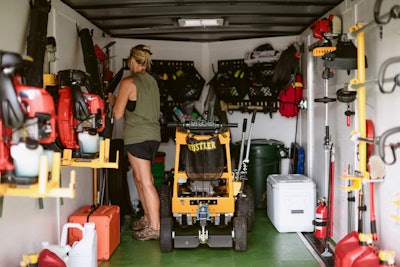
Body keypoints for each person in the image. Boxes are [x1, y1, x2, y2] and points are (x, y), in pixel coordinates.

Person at [108, 44, 161, 241]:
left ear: (132, 60)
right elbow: (138, 105)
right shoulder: (152, 82)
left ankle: (155, 227)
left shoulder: (129, 82)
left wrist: (113, 100)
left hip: (136, 137)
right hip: (153, 136)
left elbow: (118, 113)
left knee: (145, 181)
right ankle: (148, 218)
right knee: (142, 179)